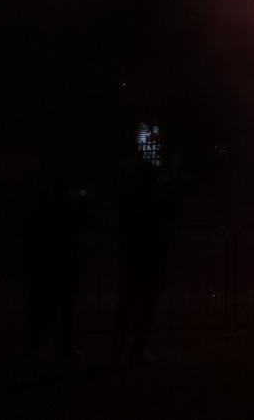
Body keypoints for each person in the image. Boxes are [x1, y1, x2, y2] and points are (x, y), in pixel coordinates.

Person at [111, 157, 180, 367]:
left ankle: (117, 352)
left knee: (126, 308)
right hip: (151, 260)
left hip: (132, 259)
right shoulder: (154, 201)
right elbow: (176, 210)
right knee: (145, 309)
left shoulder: (128, 200)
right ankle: (137, 351)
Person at [23, 163, 89, 361]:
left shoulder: (42, 210)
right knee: (63, 307)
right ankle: (63, 347)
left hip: (46, 263)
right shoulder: (67, 210)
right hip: (63, 262)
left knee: (44, 306)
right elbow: (86, 223)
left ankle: (33, 348)